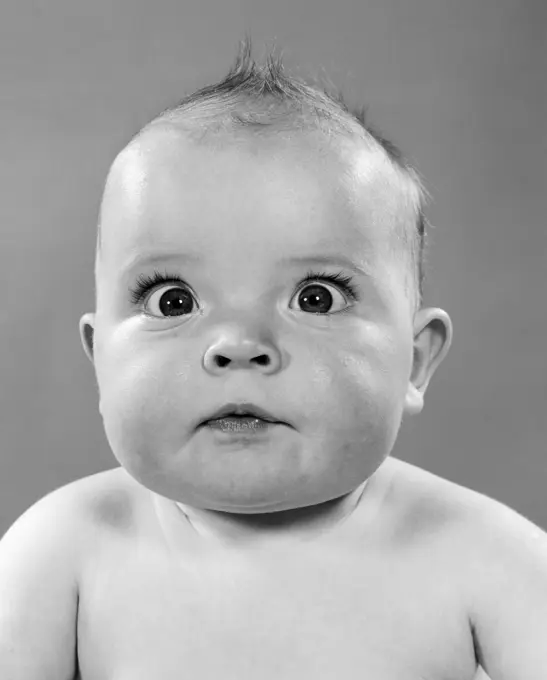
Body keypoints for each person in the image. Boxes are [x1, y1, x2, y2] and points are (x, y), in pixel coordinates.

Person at [0, 35, 545, 680]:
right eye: (173, 301)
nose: (238, 345)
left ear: (414, 362)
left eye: (315, 297)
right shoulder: (59, 552)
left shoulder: (486, 557)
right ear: (100, 361)